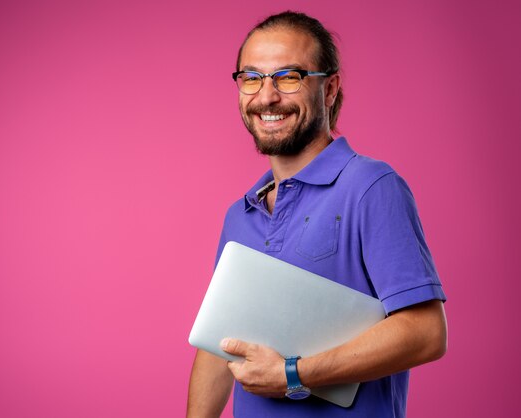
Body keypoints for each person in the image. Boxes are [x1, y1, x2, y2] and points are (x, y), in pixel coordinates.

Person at [186, 10, 447, 418]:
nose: (266, 97)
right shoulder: (240, 215)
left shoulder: (371, 187)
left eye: (289, 77)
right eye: (251, 78)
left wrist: (293, 374)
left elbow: (426, 334)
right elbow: (219, 346)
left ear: (329, 90)